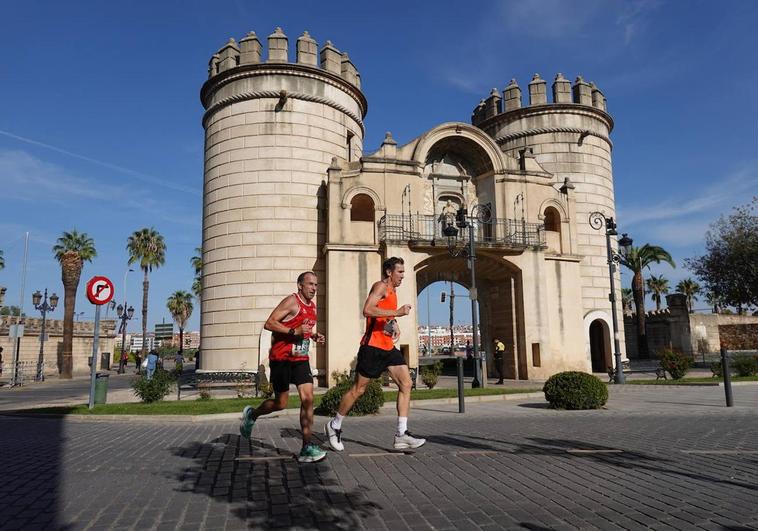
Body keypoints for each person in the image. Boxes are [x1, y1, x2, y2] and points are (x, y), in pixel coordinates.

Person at [325, 257, 426, 452]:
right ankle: (334, 424)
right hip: (372, 347)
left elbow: (385, 316)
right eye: (400, 272)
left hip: (387, 347)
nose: (403, 276)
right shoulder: (380, 287)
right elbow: (368, 310)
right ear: (389, 272)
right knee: (358, 390)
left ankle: (401, 434)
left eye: (404, 272)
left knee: (406, 383)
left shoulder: (393, 292)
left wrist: (394, 325)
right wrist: (397, 313)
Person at [239, 271, 327, 464]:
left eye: (316, 285)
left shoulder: (311, 307)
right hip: (281, 358)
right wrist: (293, 331)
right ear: (300, 286)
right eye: (310, 284)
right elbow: (269, 323)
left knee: (308, 399)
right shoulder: (291, 302)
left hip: (300, 358)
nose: (314, 288)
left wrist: (313, 335)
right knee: (281, 403)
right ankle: (252, 414)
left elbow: (303, 329)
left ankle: (306, 447)